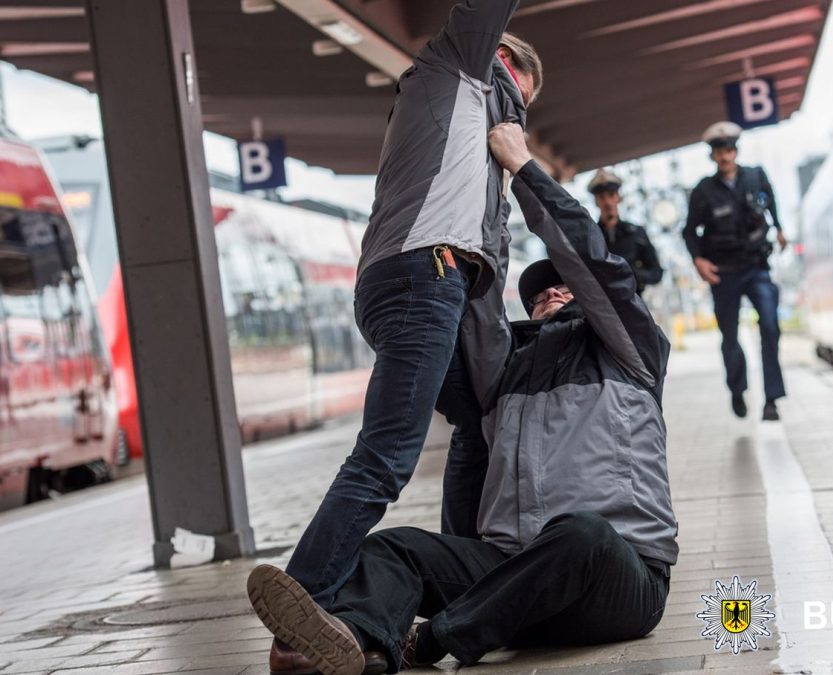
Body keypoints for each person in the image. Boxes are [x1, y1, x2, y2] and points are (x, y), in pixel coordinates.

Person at [246, 122, 678, 675]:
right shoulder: (503, 370)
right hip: (510, 579)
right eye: (538, 291)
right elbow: (476, 289)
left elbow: (592, 266)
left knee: (581, 532)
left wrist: (522, 171)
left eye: (562, 286)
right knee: (391, 547)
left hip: (616, 579)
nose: (550, 291)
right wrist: (478, 193)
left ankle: (428, 643)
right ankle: (357, 643)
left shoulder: (630, 349)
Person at [247, 0, 544, 651]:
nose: (515, 101)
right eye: (515, 81)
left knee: (477, 416)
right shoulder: (459, 67)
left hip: (416, 280)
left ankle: (458, 585)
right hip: (422, 276)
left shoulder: (473, 146)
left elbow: (489, 279)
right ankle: (303, 608)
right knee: (386, 456)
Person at [682, 121, 787, 421]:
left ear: (735, 151)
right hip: (723, 273)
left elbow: (772, 203)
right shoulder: (703, 191)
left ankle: (771, 400)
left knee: (769, 325)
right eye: (719, 152)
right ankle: (737, 388)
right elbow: (689, 232)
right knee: (729, 335)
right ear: (713, 156)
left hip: (756, 268)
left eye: (728, 150)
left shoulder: (756, 177)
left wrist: (779, 229)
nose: (725, 156)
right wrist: (699, 261)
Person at [587, 168, 663, 294]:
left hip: (635, 300)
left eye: (611, 195)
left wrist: (636, 276)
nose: (607, 202)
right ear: (596, 201)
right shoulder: (590, 237)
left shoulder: (637, 234)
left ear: (619, 198)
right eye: (602, 197)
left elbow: (656, 273)